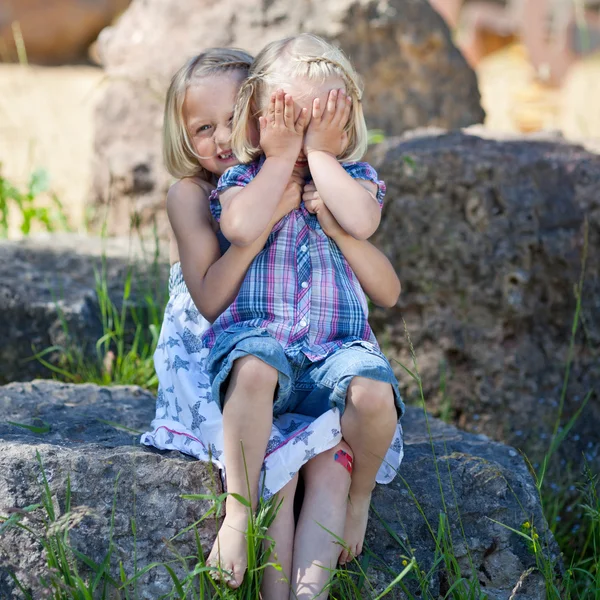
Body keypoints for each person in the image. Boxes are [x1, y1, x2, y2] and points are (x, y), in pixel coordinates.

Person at [140, 46, 404, 599]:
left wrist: (309, 178)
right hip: (220, 340)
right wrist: (272, 206)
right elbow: (214, 297)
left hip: (305, 348)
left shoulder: (319, 178)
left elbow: (382, 279)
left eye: (237, 119)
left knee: (314, 461)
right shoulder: (201, 192)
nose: (221, 137)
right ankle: (247, 527)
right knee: (271, 451)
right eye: (203, 126)